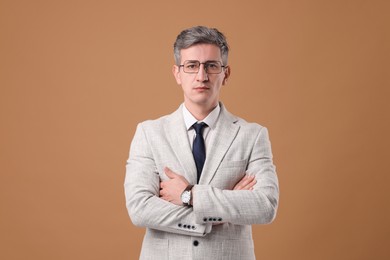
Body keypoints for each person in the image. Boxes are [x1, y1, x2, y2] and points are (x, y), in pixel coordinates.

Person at [124, 26, 279, 260]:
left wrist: (189, 195)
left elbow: (265, 206)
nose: (201, 76)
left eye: (211, 66)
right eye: (192, 66)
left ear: (226, 74)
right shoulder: (149, 133)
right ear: (177, 73)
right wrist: (218, 214)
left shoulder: (253, 135)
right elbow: (140, 208)